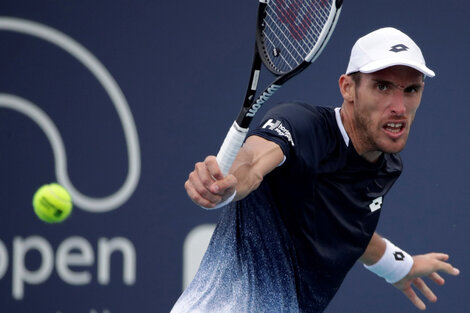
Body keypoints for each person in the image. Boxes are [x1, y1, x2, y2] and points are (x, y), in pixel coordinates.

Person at [172, 27, 460, 313]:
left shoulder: (386, 167)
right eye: (382, 86)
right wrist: (229, 184)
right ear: (348, 87)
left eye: (411, 90)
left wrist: (399, 266)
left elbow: (346, 230)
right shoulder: (302, 125)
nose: (399, 107)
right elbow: (252, 161)